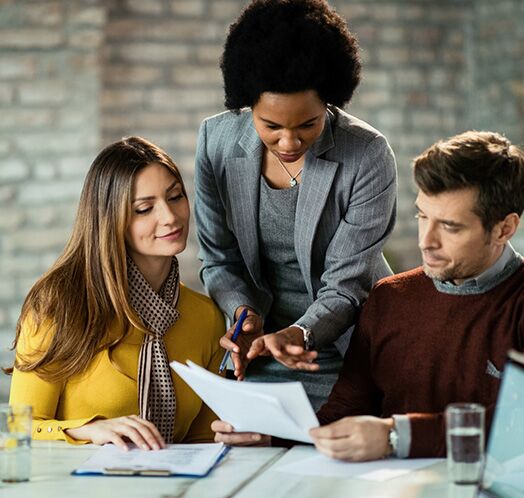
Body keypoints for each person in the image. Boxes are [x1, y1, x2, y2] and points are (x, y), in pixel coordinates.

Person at [195, 0, 397, 412]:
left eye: (308, 124)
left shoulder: (367, 155)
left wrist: (301, 333)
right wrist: (242, 313)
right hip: (258, 351)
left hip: (349, 348)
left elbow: (346, 285)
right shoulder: (215, 142)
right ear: (247, 105)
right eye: (271, 126)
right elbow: (218, 260)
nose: (289, 143)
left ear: (330, 102)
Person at [310, 130, 524, 460]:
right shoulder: (389, 298)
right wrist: (271, 436)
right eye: (422, 216)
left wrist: (395, 435)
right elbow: (344, 411)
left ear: (504, 228)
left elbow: (515, 426)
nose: (426, 241)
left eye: (450, 226)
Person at [8, 137, 225, 450]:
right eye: (144, 209)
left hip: (172, 492)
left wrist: (239, 435)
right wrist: (87, 430)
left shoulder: (206, 317)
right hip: (73, 493)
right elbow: (20, 427)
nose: (169, 217)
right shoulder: (60, 304)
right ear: (111, 220)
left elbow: (203, 442)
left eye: (175, 197)